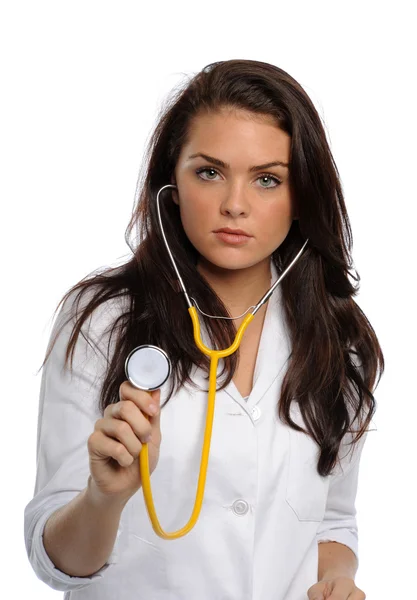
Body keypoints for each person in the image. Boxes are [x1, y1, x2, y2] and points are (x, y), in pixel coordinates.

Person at [24, 59, 384, 600]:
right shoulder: (102, 320)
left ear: (301, 198)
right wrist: (104, 497)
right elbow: (58, 562)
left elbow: (331, 522)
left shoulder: (337, 340)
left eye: (267, 180)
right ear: (172, 181)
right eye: (209, 172)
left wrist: (338, 579)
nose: (234, 205)